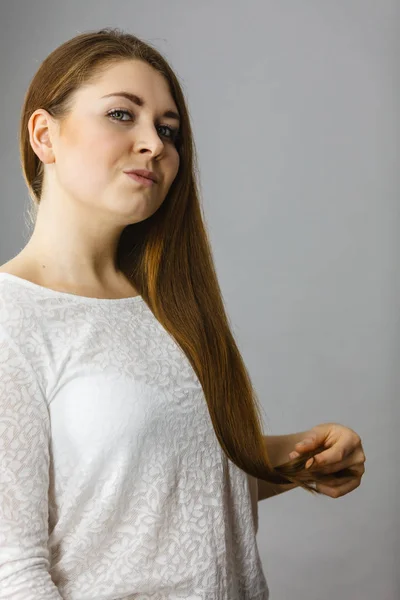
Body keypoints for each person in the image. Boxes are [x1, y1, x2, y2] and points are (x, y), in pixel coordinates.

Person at [0, 28, 365, 599]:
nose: (155, 143)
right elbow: (13, 572)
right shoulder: (12, 320)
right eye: (123, 115)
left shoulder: (164, 304)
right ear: (45, 134)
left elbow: (152, 479)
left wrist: (294, 459)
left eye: (168, 130)